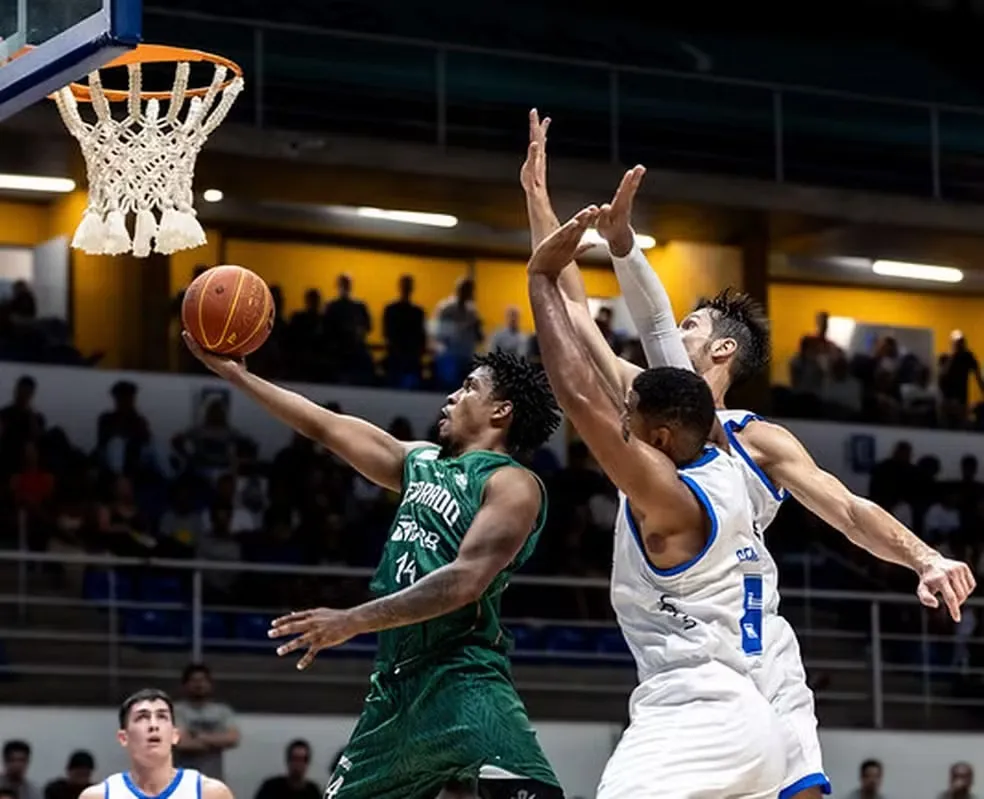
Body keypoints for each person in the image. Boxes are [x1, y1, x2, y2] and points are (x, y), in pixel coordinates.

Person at [520, 108, 977, 799]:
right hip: (710, 650)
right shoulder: (655, 399)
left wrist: (925, 556)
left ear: (723, 349)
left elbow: (848, 510)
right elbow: (576, 311)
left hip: (747, 663)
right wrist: (537, 197)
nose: (675, 328)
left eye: (692, 324)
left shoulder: (750, 435)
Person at [183, 332, 564, 799]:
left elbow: (466, 580)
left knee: (531, 793)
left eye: (468, 387)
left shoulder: (512, 484)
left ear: (501, 411)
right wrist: (238, 376)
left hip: (462, 675)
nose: (452, 395)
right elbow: (323, 425)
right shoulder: (418, 461)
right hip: (395, 687)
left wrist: (352, 620)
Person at [527, 207, 784, 799]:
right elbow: (627, 332)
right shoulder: (718, 452)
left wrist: (538, 278)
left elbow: (578, 395)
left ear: (660, 438)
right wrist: (540, 204)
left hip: (698, 714)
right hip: (749, 717)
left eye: (630, 416)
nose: (623, 416)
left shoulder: (666, 493)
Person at [77, 688, 234, 799]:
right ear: (123, 738)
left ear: (175, 735)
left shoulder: (211, 793)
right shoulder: (99, 796)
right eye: (142, 717)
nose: (153, 725)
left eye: (162, 717)